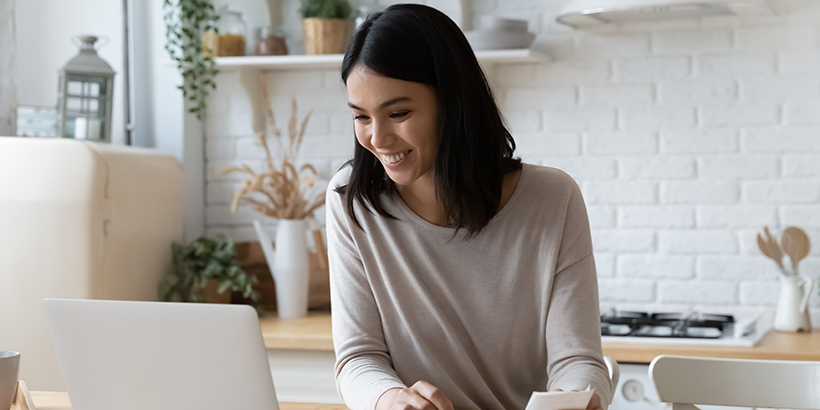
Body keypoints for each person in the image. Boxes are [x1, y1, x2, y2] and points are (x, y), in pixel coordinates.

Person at [325, 4, 611, 410]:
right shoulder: (352, 201)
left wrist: (572, 399)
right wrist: (390, 400)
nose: (378, 138)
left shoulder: (552, 199)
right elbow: (358, 357)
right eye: (361, 117)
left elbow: (579, 360)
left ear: (453, 103)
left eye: (398, 113)